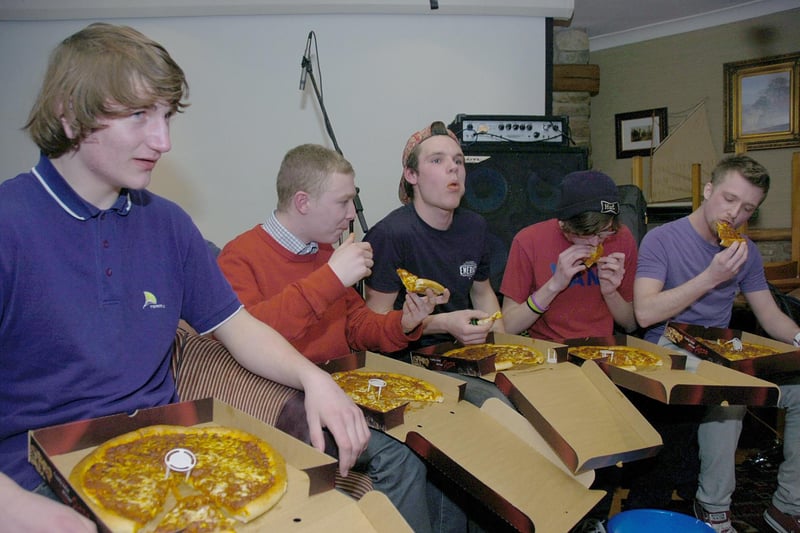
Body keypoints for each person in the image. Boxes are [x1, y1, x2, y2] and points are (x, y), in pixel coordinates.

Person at [0, 23, 369, 532]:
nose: (164, 140)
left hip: (173, 454)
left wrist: (314, 378)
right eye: (138, 115)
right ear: (68, 114)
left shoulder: (168, 224)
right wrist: (28, 513)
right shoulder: (8, 224)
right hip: (31, 478)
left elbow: (239, 328)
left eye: (166, 117)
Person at [216, 143, 449, 533]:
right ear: (303, 202)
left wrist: (404, 324)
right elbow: (252, 336)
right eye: (342, 203)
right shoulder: (239, 257)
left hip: (344, 387)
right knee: (403, 459)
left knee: (441, 440)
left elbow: (357, 326)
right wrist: (331, 278)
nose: (350, 216)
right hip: (283, 402)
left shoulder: (325, 254)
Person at [634, 154, 800, 533]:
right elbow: (645, 312)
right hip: (669, 346)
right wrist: (711, 276)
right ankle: (714, 509)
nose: (735, 214)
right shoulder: (662, 239)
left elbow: (770, 315)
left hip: (724, 349)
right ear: (708, 191)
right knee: (734, 393)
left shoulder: (745, 251)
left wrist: (799, 338)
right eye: (729, 199)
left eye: (747, 208)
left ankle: (788, 506)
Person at [362, 120, 507, 407]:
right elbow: (374, 322)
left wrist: (503, 350)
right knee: (494, 405)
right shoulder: (391, 234)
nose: (453, 168)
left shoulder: (475, 226)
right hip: (406, 361)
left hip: (463, 354)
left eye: (458, 161)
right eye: (437, 160)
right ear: (411, 174)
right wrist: (444, 323)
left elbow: (483, 293)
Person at [500, 169, 638, 341]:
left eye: (603, 233)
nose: (596, 243)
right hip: (548, 350)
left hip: (603, 349)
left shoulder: (621, 238)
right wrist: (554, 285)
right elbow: (508, 327)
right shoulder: (528, 241)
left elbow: (631, 324)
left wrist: (611, 293)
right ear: (564, 224)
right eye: (586, 234)